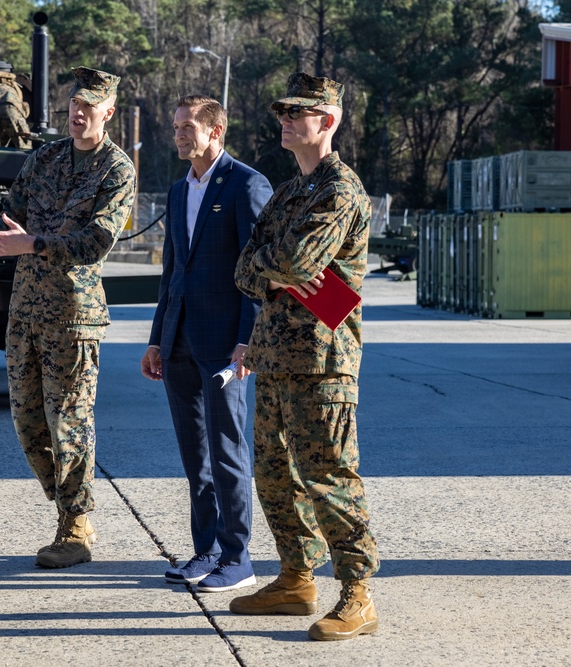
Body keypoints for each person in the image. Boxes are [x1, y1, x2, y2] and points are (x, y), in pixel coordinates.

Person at [0, 66, 136, 569]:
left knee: (71, 423)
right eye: (72, 107)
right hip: (25, 311)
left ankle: (76, 525)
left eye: (89, 107)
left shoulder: (116, 169)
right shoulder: (45, 159)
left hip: (73, 316)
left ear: (108, 113)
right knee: (28, 423)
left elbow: (98, 241)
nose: (78, 114)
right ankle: (66, 504)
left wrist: (31, 243)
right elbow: (12, 215)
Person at [229, 72, 379, 640]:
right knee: (272, 474)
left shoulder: (340, 189)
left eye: (299, 112)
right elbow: (247, 269)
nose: (286, 120)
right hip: (275, 353)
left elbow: (291, 263)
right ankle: (295, 578)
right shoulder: (291, 190)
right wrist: (281, 272)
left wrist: (280, 270)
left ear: (329, 120)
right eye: (283, 112)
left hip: (323, 358)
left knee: (329, 477)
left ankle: (358, 592)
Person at [140, 95, 272, 593]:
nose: (177, 133)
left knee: (227, 451)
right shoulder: (178, 191)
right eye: (175, 125)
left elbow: (256, 273)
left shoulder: (245, 184)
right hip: (177, 344)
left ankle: (238, 558)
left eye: (187, 126)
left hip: (223, 345)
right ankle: (207, 551)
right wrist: (157, 339)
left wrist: (247, 340)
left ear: (215, 131)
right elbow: (172, 271)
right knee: (195, 455)